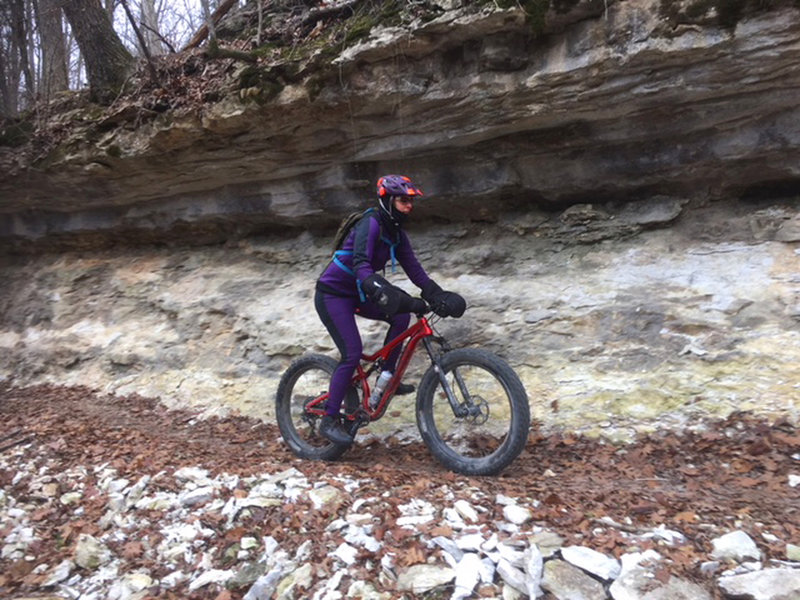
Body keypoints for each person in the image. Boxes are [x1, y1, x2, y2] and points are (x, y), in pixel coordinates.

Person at [314, 174, 463, 445]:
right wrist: (379, 288)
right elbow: (361, 264)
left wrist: (436, 294)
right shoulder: (370, 224)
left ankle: (385, 378)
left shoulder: (397, 234)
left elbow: (415, 270)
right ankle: (329, 419)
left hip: (359, 293)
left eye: (411, 201)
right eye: (404, 201)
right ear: (388, 200)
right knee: (352, 353)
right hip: (333, 295)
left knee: (401, 315)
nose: (409, 206)